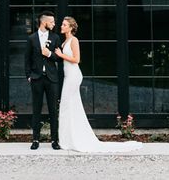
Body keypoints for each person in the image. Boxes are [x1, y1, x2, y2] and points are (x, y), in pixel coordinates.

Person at [54, 16, 142, 153]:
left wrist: (60, 55)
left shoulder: (74, 40)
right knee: (68, 106)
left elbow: (77, 59)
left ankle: (73, 139)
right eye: (62, 24)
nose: (61, 26)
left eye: (64, 25)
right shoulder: (65, 41)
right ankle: (68, 139)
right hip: (68, 76)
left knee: (68, 105)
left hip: (73, 76)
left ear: (71, 27)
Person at [25, 11, 62, 150]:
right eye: (51, 22)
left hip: (52, 79)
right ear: (43, 22)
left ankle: (54, 140)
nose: (54, 24)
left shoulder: (55, 37)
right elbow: (26, 59)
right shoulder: (32, 38)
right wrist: (28, 75)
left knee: (53, 109)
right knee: (36, 109)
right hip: (37, 78)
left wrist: (50, 54)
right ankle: (35, 139)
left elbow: (59, 57)